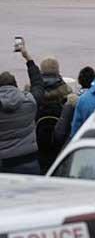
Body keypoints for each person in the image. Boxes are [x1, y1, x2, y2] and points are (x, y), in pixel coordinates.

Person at [0, 45, 44, 174]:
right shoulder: (29, 102)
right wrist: (28, 58)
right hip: (27, 160)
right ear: (16, 85)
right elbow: (38, 85)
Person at [35, 56, 72, 172]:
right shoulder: (66, 91)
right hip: (59, 142)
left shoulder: (33, 91)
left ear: (41, 71)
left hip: (37, 141)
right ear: (57, 71)